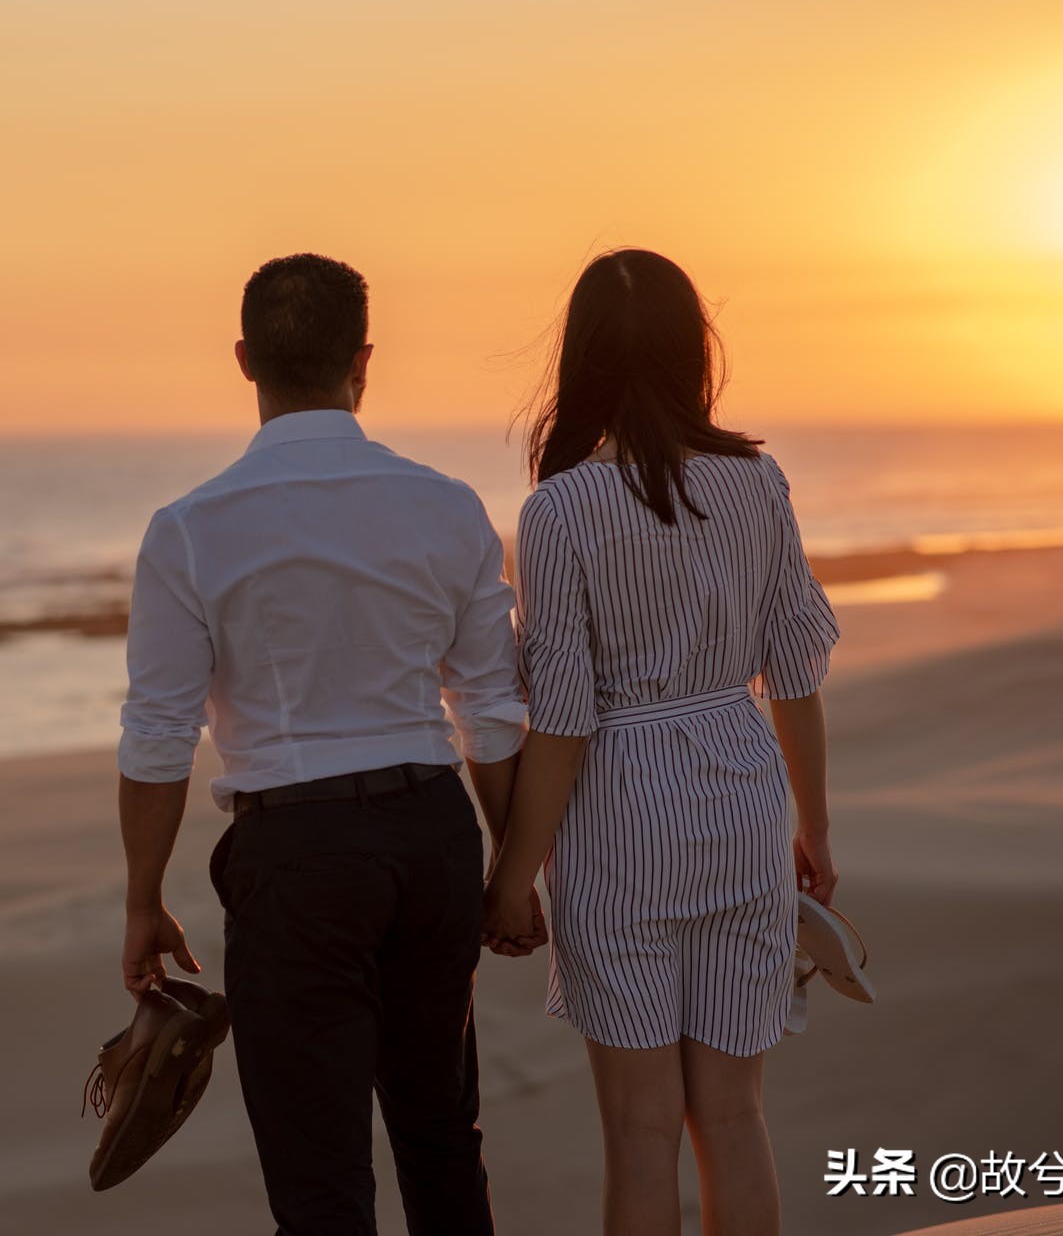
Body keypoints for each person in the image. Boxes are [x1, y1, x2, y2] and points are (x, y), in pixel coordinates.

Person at [116, 253, 527, 1234]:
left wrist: (141, 899)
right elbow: (490, 707)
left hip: (294, 857)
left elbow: (157, 734)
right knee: (440, 1136)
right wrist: (512, 865)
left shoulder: (190, 528)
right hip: (429, 834)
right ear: (363, 362)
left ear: (243, 360)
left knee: (317, 1178)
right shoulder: (443, 505)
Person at [481, 249, 841, 1236]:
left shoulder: (556, 510)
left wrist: (511, 875)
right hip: (741, 799)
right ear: (694, 352)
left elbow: (559, 719)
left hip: (617, 822)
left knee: (640, 1130)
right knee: (732, 1114)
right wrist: (814, 832)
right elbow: (795, 674)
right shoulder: (756, 483)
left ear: (579, 360)